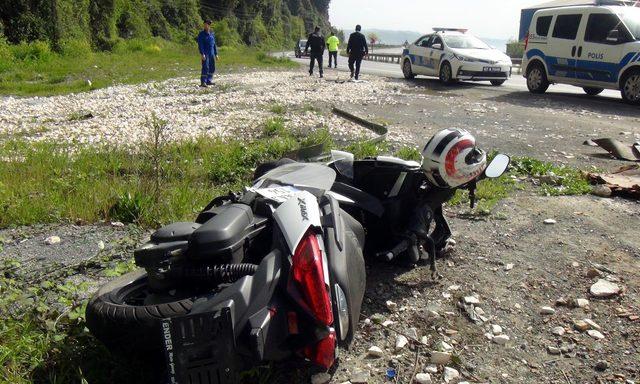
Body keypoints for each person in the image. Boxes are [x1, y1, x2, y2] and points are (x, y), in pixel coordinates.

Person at [197, 20, 219, 87]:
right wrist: (202, 53)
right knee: (205, 67)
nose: (207, 25)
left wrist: (216, 54)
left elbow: (214, 44)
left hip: (211, 53)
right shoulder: (201, 34)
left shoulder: (212, 34)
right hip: (205, 53)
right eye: (206, 24)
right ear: (204, 25)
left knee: (212, 67)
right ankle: (203, 82)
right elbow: (200, 45)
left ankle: (209, 80)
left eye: (209, 24)